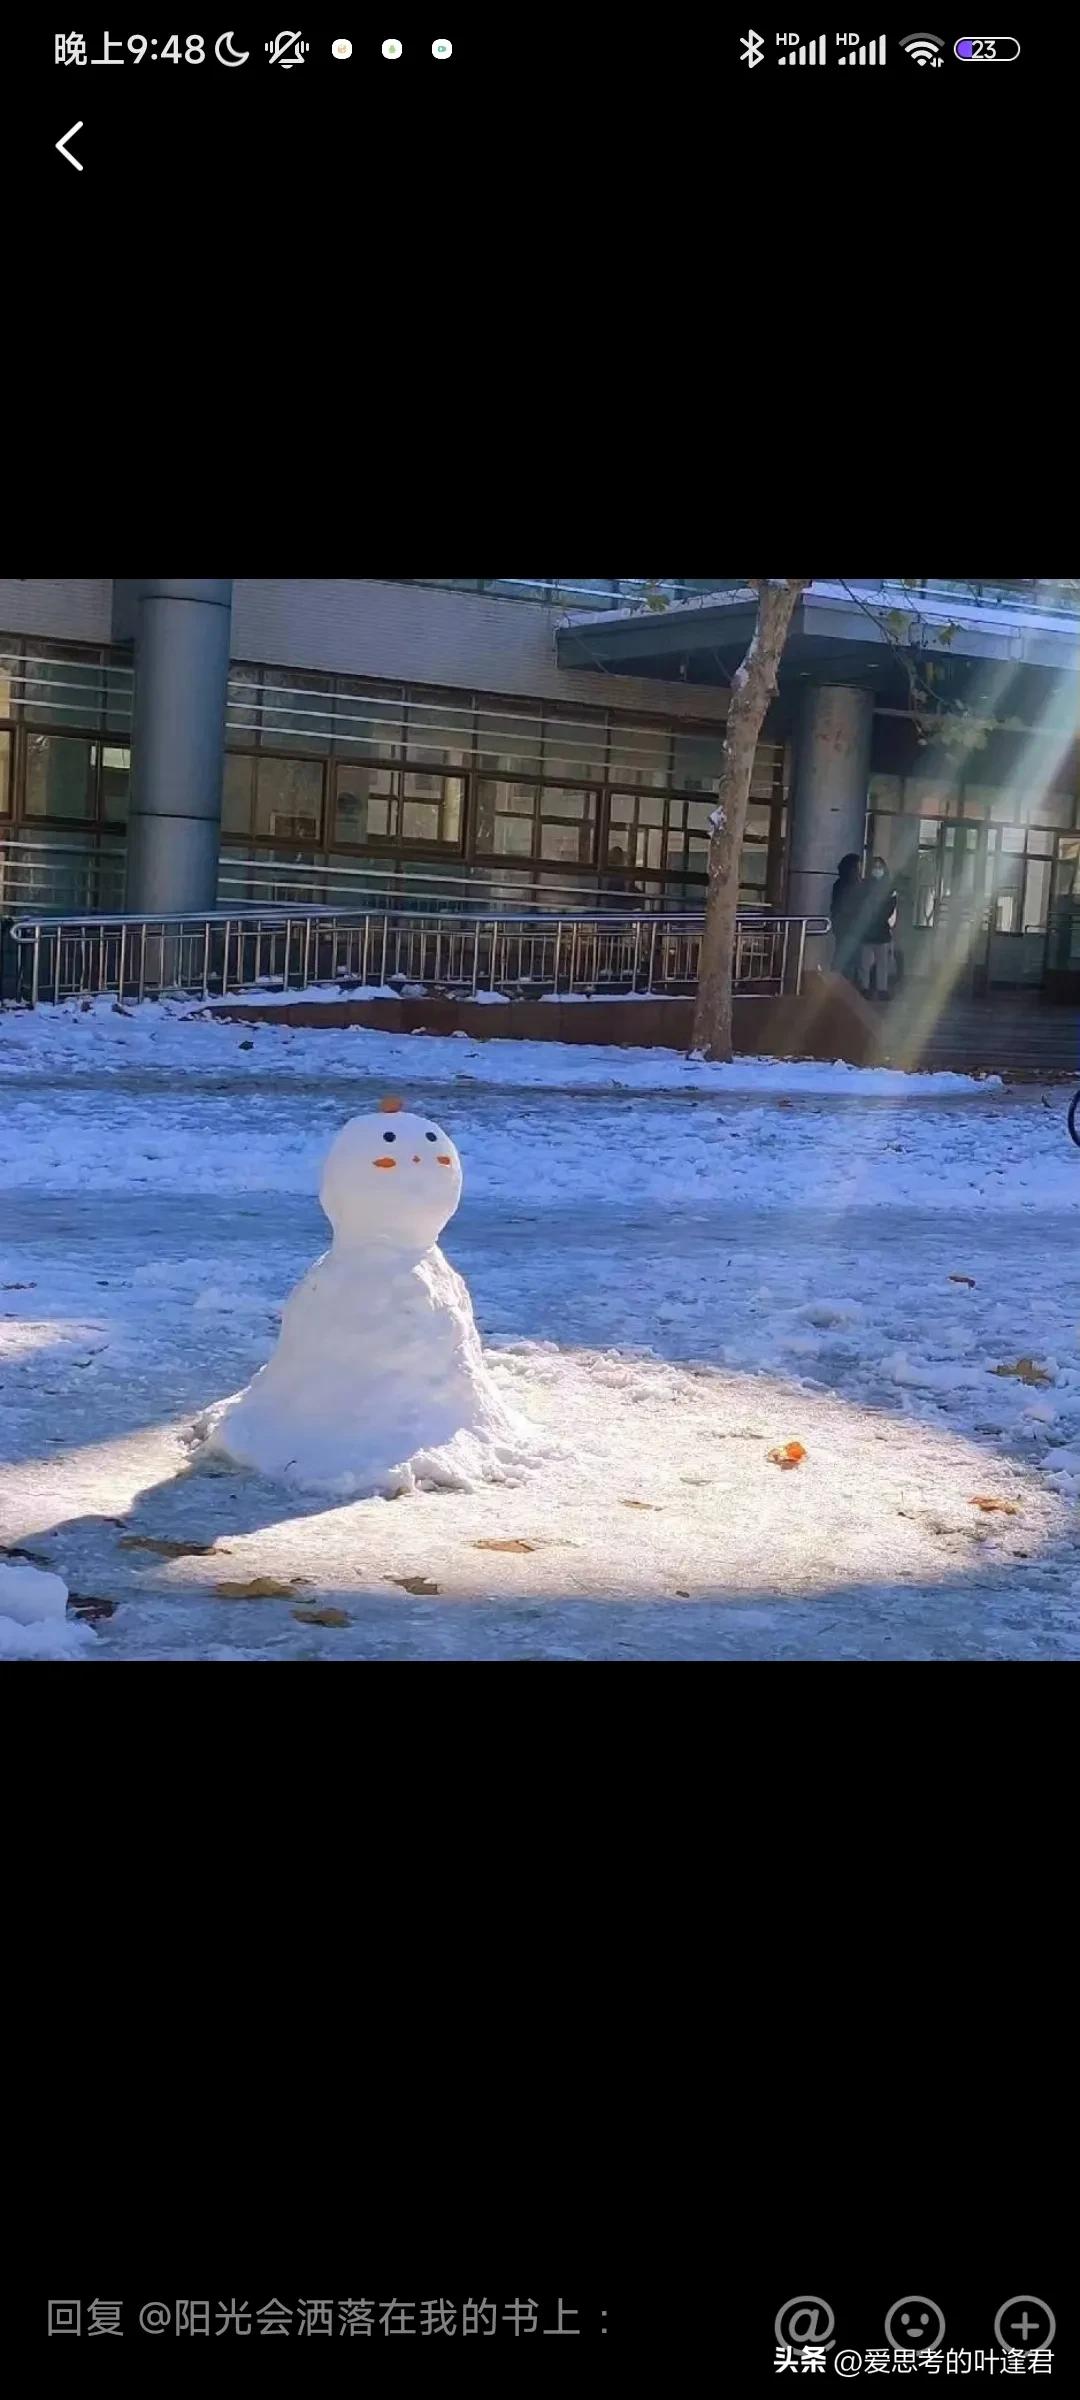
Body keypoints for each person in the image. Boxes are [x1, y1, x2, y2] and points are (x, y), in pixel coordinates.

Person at [859, 856, 898, 998]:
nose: (877, 870)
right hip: (870, 931)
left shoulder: (889, 888)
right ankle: (865, 988)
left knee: (882, 963)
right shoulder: (865, 886)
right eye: (875, 867)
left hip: (880, 931)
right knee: (865, 963)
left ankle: (881, 989)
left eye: (879, 867)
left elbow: (891, 908)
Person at [829, 853, 864, 985]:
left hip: (844, 925)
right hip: (850, 926)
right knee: (850, 956)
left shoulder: (839, 884)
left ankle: (839, 981)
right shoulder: (853, 885)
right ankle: (846, 982)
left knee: (843, 954)